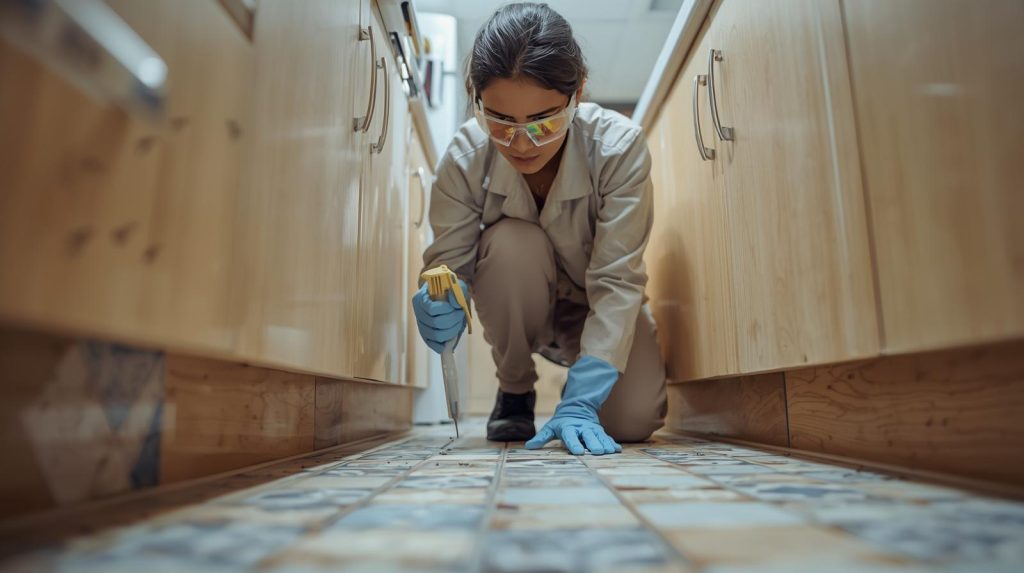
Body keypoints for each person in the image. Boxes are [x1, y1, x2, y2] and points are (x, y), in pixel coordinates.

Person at [411, 2, 667, 456]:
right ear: (476, 97)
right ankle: (514, 389)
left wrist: (582, 399)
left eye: (544, 121)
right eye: (501, 121)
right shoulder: (464, 160)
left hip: (595, 307)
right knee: (513, 242)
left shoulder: (618, 149)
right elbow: (449, 269)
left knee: (633, 420)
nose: (523, 143)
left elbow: (617, 280)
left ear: (578, 93)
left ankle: (579, 396)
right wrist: (443, 301)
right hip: (517, 301)